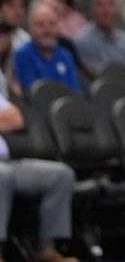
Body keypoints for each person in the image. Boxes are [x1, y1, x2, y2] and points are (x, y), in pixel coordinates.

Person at [0, 66, 79, 262]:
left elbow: (15, 118)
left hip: (7, 161)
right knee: (2, 176)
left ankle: (47, 251)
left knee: (60, 174)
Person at [13, 0, 80, 93]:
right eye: (40, 25)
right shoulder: (22, 55)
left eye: (52, 24)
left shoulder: (66, 55)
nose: (47, 30)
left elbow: (75, 92)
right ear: (30, 28)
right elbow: (31, 94)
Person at [73, 0, 125, 80]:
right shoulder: (82, 41)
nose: (106, 10)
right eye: (100, 5)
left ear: (117, 10)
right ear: (92, 10)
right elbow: (93, 76)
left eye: (110, 4)